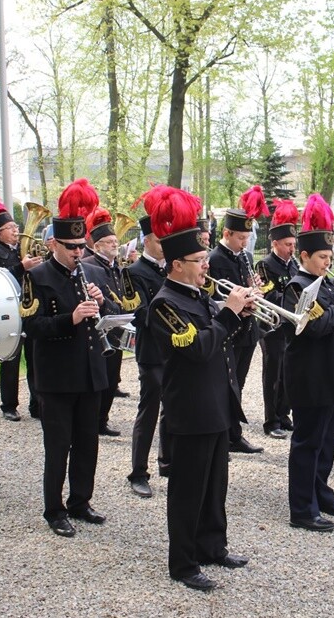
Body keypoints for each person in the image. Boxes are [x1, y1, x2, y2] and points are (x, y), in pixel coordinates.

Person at [147, 185, 250, 591]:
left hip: (216, 405)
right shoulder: (165, 304)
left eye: (206, 258)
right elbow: (197, 347)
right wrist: (227, 315)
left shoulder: (198, 295)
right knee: (188, 490)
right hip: (190, 410)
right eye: (199, 260)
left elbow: (221, 338)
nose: (206, 266)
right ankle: (183, 562)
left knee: (215, 485)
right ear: (175, 265)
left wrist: (241, 314)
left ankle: (213, 546)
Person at [22, 179, 110, 538]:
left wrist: (102, 303)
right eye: (71, 247)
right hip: (57, 376)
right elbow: (31, 325)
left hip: (89, 371)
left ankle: (80, 500)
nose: (78, 252)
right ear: (55, 244)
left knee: (88, 440)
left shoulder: (91, 272)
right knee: (58, 445)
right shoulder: (38, 276)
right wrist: (69, 318)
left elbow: (112, 313)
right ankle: (54, 509)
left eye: (80, 246)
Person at [282, 194, 334, 532]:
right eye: (321, 258)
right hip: (312, 379)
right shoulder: (297, 287)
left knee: (328, 441)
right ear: (304, 256)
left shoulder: (327, 283)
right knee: (308, 442)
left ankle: (321, 492)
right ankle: (302, 507)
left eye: (330, 257)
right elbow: (315, 327)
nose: (327, 263)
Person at [208, 187, 266, 454]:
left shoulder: (246, 256)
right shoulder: (214, 259)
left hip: (247, 330)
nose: (245, 243)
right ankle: (225, 435)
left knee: (239, 384)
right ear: (226, 234)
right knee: (225, 385)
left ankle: (234, 434)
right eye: (240, 237)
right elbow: (216, 296)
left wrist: (255, 288)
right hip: (229, 331)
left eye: (247, 237)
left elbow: (245, 284)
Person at [0, 197, 44, 421]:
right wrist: (22, 266)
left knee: (35, 358)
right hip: (8, 307)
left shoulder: (24, 248)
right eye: (10, 228)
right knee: (11, 358)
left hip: (31, 305)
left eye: (16, 227)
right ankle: (9, 404)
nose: (16, 231)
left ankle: (37, 404)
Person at [126, 213, 168, 498]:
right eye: (161, 240)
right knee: (149, 411)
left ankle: (168, 461)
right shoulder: (134, 272)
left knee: (174, 410)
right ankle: (138, 472)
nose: (166, 245)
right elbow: (139, 314)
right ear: (148, 240)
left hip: (174, 351)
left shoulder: (170, 270)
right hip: (152, 351)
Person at [254, 199, 300, 440]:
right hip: (272, 327)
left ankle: (284, 413)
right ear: (274, 244)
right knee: (273, 374)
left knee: (288, 372)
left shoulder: (294, 265)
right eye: (287, 245)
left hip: (290, 327)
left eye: (293, 244)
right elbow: (270, 294)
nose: (291, 249)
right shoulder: (265, 265)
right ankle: (271, 419)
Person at [81, 207, 127, 437]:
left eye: (115, 241)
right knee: (100, 379)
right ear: (97, 245)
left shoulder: (115, 266)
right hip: (99, 331)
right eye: (109, 242)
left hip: (116, 329)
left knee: (112, 378)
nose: (114, 245)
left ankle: (103, 419)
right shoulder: (89, 265)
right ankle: (94, 419)